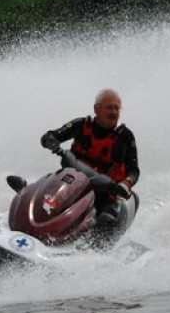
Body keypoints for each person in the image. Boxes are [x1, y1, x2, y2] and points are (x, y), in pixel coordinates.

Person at [40, 88, 139, 225]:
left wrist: (125, 184)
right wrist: (50, 141)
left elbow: (134, 171)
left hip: (104, 193)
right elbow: (51, 135)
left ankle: (94, 245)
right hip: (71, 184)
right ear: (96, 109)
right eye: (109, 108)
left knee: (106, 219)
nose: (114, 113)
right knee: (44, 196)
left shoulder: (125, 137)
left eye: (117, 109)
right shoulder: (81, 125)